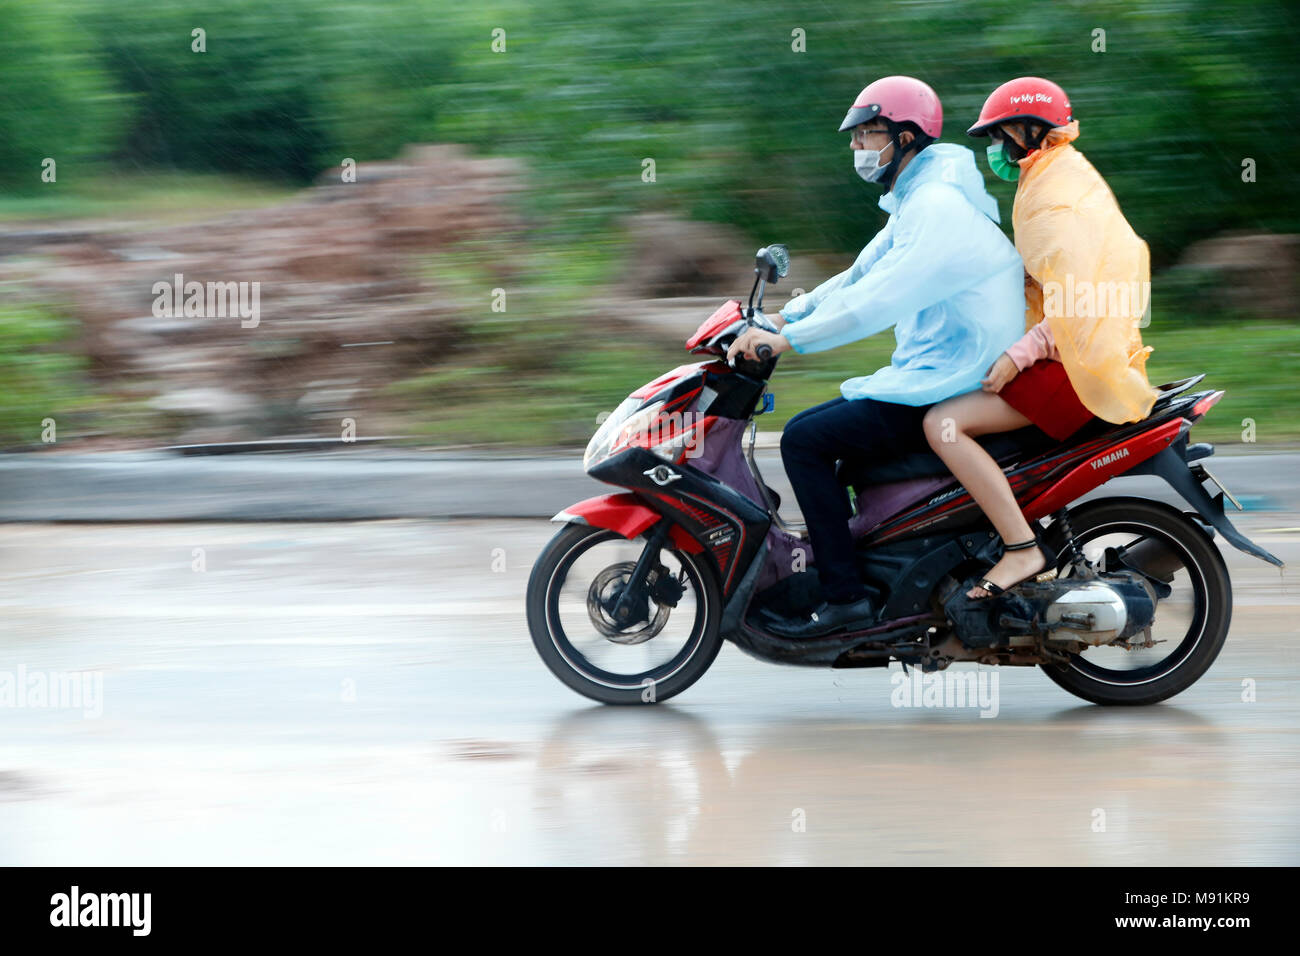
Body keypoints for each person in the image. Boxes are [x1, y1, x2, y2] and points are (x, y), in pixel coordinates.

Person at [727, 75, 1024, 639]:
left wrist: (791, 342)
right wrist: (786, 317)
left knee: (804, 440)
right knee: (822, 431)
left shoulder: (937, 209)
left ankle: (845, 599)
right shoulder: (920, 202)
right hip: (937, 371)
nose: (856, 148)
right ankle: (848, 566)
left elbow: (880, 299)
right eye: (858, 136)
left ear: (906, 138)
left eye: (867, 135)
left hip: (953, 379)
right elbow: (859, 275)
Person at [921, 77, 1159, 599]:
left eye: (1001, 134)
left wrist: (1016, 355)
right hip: (1079, 352)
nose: (996, 149)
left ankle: (1019, 547)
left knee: (943, 424)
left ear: (1033, 130)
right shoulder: (1054, 178)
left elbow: (1078, 299)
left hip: (1076, 366)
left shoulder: (1057, 197)